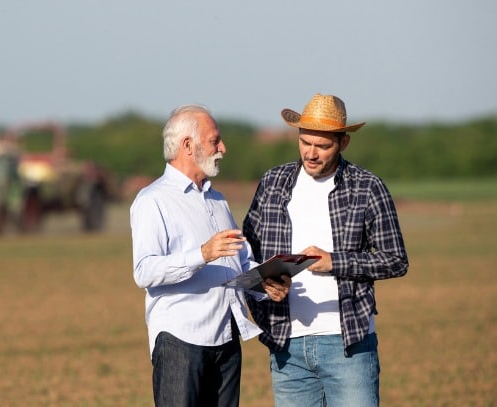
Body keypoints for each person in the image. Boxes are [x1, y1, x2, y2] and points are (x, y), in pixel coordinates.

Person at [243, 93, 409, 406]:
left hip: (348, 344)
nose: (312, 153)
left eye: (323, 146)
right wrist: (265, 285)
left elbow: (396, 260)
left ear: (343, 143)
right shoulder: (273, 182)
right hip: (286, 346)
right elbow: (247, 253)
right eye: (305, 142)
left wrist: (335, 262)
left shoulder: (368, 186)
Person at [130, 104, 289, 407]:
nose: (223, 148)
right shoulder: (153, 200)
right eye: (215, 140)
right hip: (181, 341)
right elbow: (145, 271)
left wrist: (265, 283)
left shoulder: (217, 200)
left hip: (227, 338)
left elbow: (237, 266)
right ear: (188, 145)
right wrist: (202, 254)